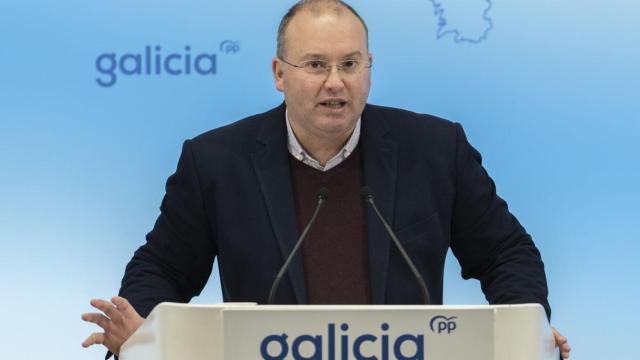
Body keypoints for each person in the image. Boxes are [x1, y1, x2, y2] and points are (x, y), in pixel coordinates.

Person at [81, 0, 571, 358]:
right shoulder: (215, 162)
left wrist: (526, 333)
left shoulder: (436, 150)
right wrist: (143, 333)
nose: (336, 82)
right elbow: (165, 265)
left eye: (350, 65)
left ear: (369, 70)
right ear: (279, 73)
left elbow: (506, 253)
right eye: (316, 65)